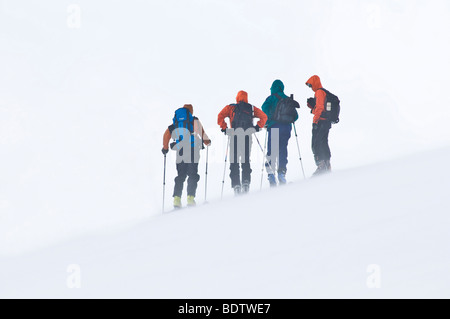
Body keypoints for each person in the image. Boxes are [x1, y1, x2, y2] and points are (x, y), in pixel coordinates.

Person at [217, 91, 267, 195]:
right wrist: (257, 127)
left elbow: (220, 116)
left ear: (237, 97)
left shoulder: (231, 107)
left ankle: (236, 185)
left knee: (234, 161)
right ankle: (246, 183)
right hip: (247, 136)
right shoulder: (251, 108)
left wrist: (225, 128)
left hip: (234, 135)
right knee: (245, 160)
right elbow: (264, 117)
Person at [162, 104, 211, 209]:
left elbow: (166, 135)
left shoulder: (176, 123)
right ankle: (190, 197)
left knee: (181, 175)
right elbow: (202, 134)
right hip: (193, 150)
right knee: (193, 174)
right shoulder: (194, 121)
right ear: (191, 111)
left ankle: (177, 199)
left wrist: (165, 148)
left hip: (180, 151)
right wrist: (207, 142)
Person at [261, 80, 298, 186]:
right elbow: (296, 116)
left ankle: (271, 174)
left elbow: (264, 108)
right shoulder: (287, 99)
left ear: (273, 88)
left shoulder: (271, 98)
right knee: (283, 150)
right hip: (286, 128)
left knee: (272, 150)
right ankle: (282, 173)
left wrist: (267, 121)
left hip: (274, 127)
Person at [306, 75, 332, 176]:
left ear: (315, 83)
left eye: (310, 85)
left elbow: (320, 108)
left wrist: (315, 121)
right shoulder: (324, 92)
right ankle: (327, 165)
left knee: (316, 144)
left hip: (320, 122)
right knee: (323, 142)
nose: (310, 87)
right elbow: (320, 109)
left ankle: (321, 166)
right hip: (326, 121)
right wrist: (313, 108)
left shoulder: (319, 92)